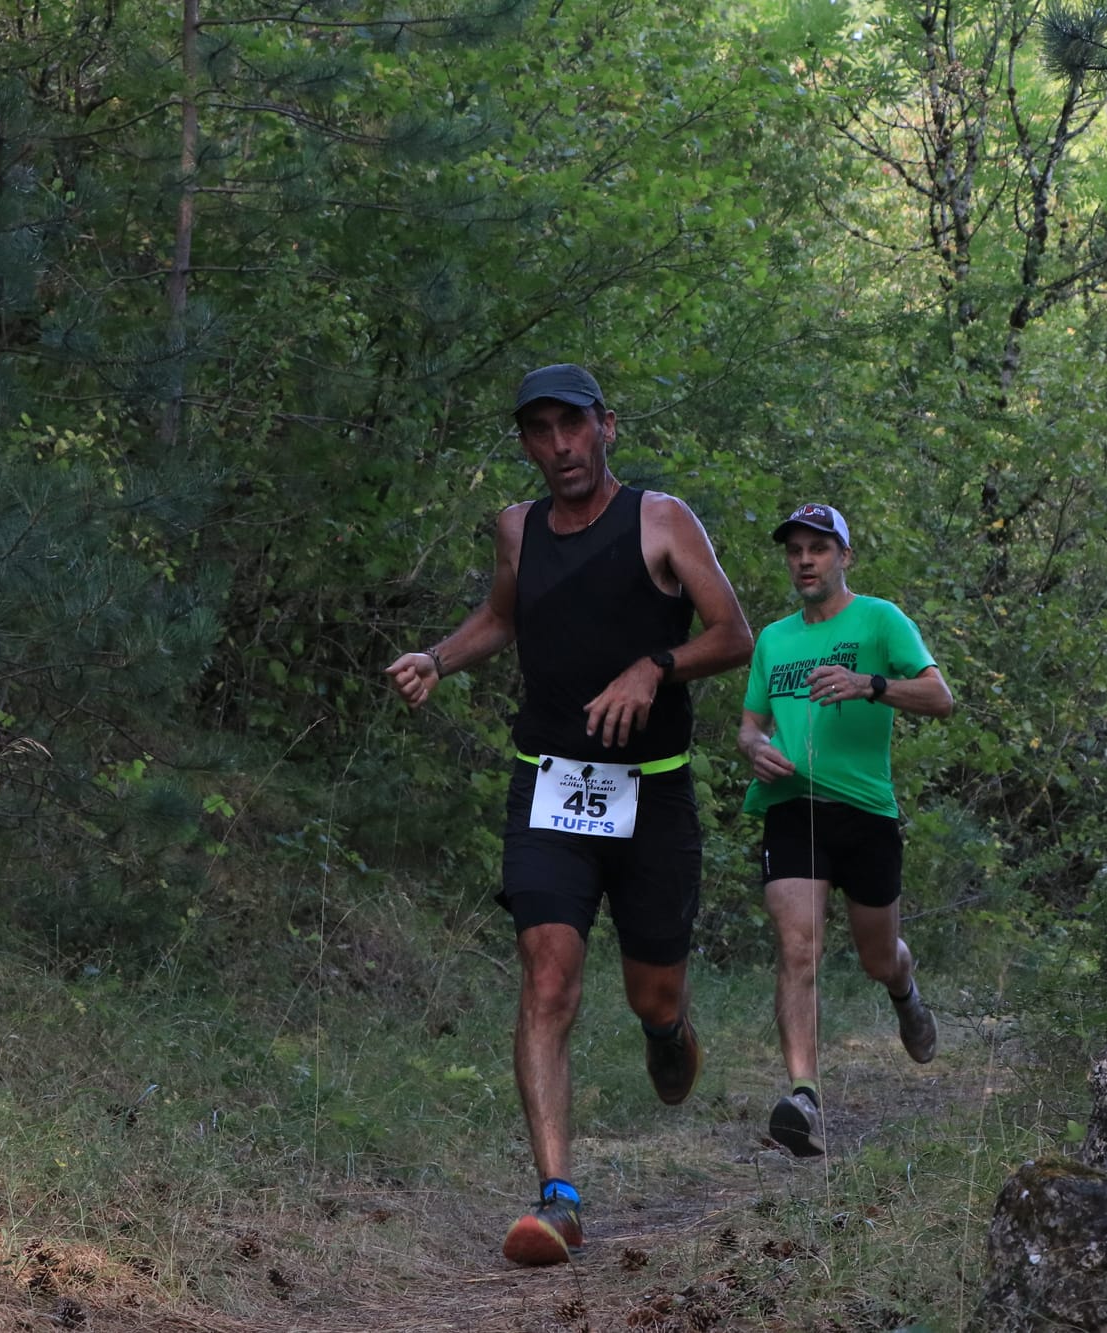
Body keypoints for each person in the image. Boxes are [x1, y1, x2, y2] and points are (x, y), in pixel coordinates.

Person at [385, 364, 752, 1266]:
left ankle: (667, 1032)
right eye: (540, 431)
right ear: (525, 443)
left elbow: (733, 633)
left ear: (606, 428)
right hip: (548, 782)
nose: (559, 446)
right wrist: (439, 655)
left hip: (651, 790)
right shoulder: (517, 528)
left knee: (650, 992)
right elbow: (502, 617)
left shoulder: (661, 521)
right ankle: (558, 1198)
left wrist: (651, 667)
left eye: (573, 426)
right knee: (547, 975)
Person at [736, 502, 953, 1158]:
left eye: (818, 548)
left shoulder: (880, 620)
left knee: (875, 957)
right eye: (795, 549)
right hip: (790, 805)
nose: (804, 559)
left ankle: (904, 988)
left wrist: (869, 683)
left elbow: (940, 697)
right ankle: (803, 1093)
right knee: (797, 947)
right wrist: (754, 747)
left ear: (844, 557)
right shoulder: (774, 638)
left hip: (865, 812)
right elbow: (750, 723)